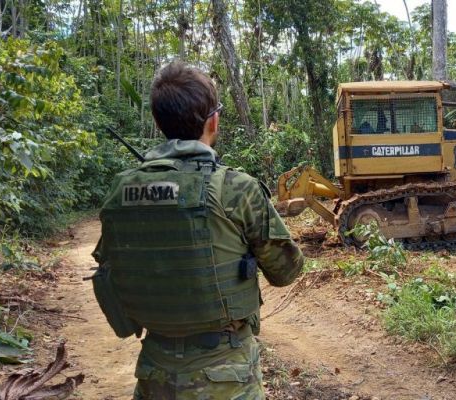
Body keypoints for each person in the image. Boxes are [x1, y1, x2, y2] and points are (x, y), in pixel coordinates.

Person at [91, 61, 304, 400]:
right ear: (213, 121)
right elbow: (285, 271)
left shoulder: (121, 191)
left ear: (158, 122)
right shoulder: (235, 189)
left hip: (154, 374)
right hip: (227, 376)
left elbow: (109, 269)